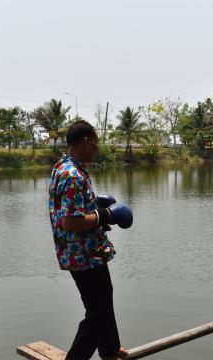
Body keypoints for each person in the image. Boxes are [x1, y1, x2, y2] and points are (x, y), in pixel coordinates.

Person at [49, 120, 132, 360]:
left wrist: (94, 207)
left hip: (84, 250)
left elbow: (72, 207)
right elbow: (70, 221)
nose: (97, 147)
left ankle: (109, 349)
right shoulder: (73, 175)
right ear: (86, 141)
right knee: (97, 312)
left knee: (103, 300)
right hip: (82, 253)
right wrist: (105, 215)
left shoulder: (62, 166)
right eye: (95, 142)